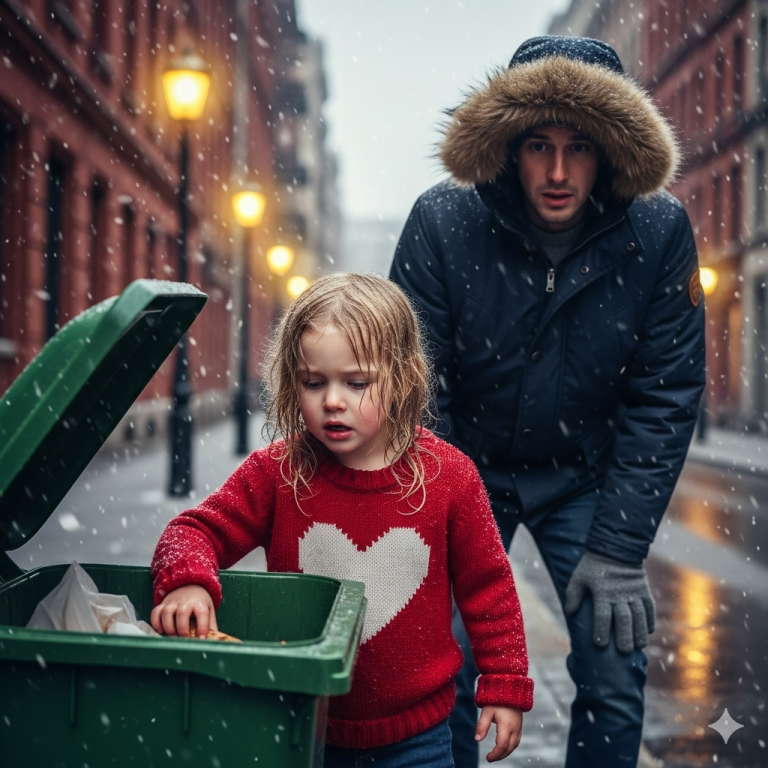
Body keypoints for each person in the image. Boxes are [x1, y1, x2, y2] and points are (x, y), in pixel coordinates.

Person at [390, 35, 705, 768]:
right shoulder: (443, 221)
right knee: (449, 667)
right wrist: (443, 515)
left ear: (611, 151)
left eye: (580, 146)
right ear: (507, 146)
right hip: (462, 469)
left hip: (582, 479)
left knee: (615, 673)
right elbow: (414, 381)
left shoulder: (657, 234)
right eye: (538, 145)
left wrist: (620, 550)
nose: (558, 172)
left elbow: (664, 393)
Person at [150, 273, 534, 767]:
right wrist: (187, 582)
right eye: (314, 382)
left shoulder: (450, 478)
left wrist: (504, 686)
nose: (333, 400)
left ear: (402, 378)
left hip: (419, 737)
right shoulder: (277, 473)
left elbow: (490, 589)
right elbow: (193, 531)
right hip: (300, 726)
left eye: (356, 383)